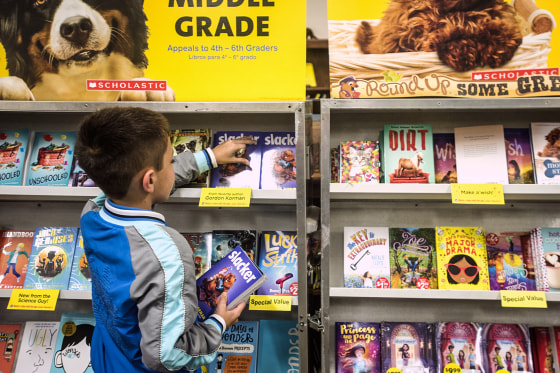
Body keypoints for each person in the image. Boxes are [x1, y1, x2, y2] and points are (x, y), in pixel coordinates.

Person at [75, 107, 254, 373]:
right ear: (149, 180)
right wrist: (217, 324)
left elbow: (144, 184)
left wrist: (208, 157)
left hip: (109, 357)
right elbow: (166, 355)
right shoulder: (166, 253)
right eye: (171, 160)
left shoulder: (91, 214)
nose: (174, 164)